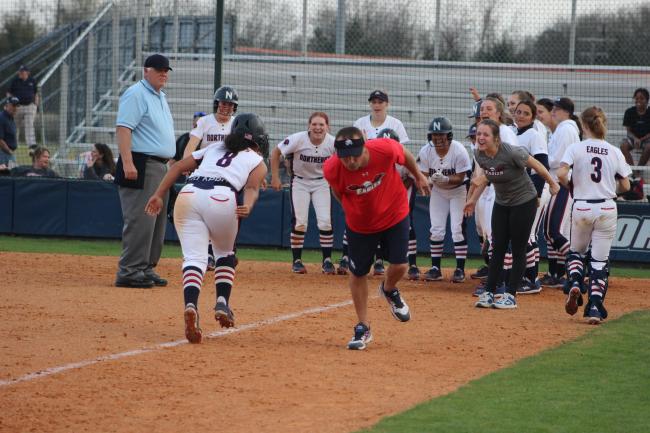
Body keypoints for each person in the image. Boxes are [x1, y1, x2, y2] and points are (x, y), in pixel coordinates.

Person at [145, 113, 268, 343]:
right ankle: (222, 302)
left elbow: (179, 166)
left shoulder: (214, 148)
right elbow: (252, 187)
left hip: (189, 193)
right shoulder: (257, 160)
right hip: (222, 197)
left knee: (194, 259)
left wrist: (158, 194)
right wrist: (248, 205)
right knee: (225, 253)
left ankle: (191, 304)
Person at [323, 126, 430, 350]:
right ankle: (363, 326)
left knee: (401, 265)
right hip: (360, 224)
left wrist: (418, 175)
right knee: (358, 272)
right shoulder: (332, 168)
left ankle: (389, 289)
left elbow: (405, 154)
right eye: (345, 157)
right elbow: (337, 190)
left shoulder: (384, 149)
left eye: (355, 155)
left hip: (394, 213)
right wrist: (349, 208)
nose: (350, 161)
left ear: (364, 146)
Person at [464, 120, 559, 310]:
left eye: (485, 135)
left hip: (524, 201)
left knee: (518, 249)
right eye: (478, 134)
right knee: (497, 248)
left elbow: (538, 166)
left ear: (496, 138)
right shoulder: (479, 154)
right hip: (502, 202)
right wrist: (473, 199)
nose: (480, 138)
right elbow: (490, 174)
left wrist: (552, 184)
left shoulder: (511, 152)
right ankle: (489, 293)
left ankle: (510, 295)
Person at [557, 107, 631, 324]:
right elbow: (626, 184)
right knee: (599, 261)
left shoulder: (576, 148)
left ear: (583, 125)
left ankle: (576, 281)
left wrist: (571, 185)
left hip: (582, 206)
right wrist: (609, 192)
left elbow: (561, 173)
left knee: (576, 252)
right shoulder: (614, 150)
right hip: (607, 207)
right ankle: (595, 308)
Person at [113, 54, 175, 289]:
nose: (163, 73)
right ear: (145, 70)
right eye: (158, 69)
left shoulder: (160, 96)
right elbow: (123, 129)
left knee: (156, 222)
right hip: (141, 163)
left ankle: (145, 268)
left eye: (166, 70)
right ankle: (129, 271)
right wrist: (128, 162)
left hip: (159, 165)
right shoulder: (136, 93)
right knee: (140, 219)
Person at [344, 89, 409, 276]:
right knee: (362, 216)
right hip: (365, 177)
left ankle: (380, 259)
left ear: (387, 104)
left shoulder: (396, 124)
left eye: (380, 101)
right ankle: (352, 257)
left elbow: (402, 150)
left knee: (384, 218)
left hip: (388, 177)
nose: (377, 104)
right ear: (370, 104)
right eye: (374, 101)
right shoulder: (360, 123)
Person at [270, 112, 336, 274]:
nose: (318, 128)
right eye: (314, 124)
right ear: (309, 125)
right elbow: (276, 152)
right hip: (300, 181)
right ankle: (297, 261)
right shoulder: (298, 139)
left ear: (327, 127)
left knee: (325, 221)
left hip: (322, 182)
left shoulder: (332, 143)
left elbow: (342, 162)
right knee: (300, 222)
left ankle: (327, 261)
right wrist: (275, 177)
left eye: (321, 125)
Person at [418, 117, 472, 283]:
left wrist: (446, 179)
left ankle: (460, 269)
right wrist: (428, 181)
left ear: (449, 135)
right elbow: (423, 175)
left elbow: (462, 177)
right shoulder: (426, 151)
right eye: (435, 135)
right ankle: (435, 268)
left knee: (456, 229)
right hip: (439, 192)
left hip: (458, 191)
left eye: (441, 135)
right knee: (436, 229)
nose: (438, 138)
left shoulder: (459, 150)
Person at [540, 97, 582, 288]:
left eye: (557, 108)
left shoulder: (566, 128)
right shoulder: (562, 129)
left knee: (553, 230)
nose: (554, 111)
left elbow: (558, 159)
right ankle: (556, 273)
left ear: (566, 111)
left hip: (562, 183)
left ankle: (580, 267)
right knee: (551, 232)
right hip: (556, 182)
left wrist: (538, 160)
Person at [513, 99, 550, 294]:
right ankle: (531, 277)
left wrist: (535, 194)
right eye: (518, 112)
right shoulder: (513, 133)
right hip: (521, 190)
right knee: (529, 234)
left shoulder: (533, 135)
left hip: (535, 189)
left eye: (525, 113)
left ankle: (531, 278)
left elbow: (542, 164)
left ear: (533, 117)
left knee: (526, 234)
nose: (520, 115)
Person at [6, 65, 39, 149]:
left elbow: (36, 93)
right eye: (20, 71)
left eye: (22, 71)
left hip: (30, 106)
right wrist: (10, 101)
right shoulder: (15, 81)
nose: (20, 73)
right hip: (17, 107)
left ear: (27, 72)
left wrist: (36, 104)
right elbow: (9, 93)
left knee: (29, 125)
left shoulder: (32, 80)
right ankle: (13, 143)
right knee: (14, 126)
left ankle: (31, 145)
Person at [620, 88, 650, 168]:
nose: (638, 100)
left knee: (649, 147)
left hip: (647, 139)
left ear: (647, 100)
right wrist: (635, 139)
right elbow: (628, 131)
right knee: (623, 146)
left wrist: (641, 139)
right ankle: (632, 170)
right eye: (636, 98)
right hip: (633, 138)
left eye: (642, 98)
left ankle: (638, 170)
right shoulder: (629, 112)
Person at [0, 97, 19, 168]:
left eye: (17, 106)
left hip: (8, 153)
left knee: (13, 174)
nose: (16, 108)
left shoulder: (10, 118)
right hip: (3, 153)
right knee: (6, 174)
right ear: (7, 105)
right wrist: (9, 151)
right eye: (13, 105)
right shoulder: (1, 118)